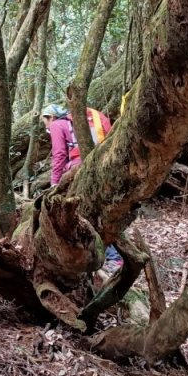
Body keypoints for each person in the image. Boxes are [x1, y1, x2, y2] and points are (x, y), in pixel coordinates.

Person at [40, 103, 121, 268]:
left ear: (52, 117)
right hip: (100, 165)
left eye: (45, 121)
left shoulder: (57, 125)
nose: (46, 126)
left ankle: (111, 257)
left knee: (84, 213)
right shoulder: (73, 124)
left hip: (79, 170)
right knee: (98, 209)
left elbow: (60, 154)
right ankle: (111, 254)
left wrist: (55, 182)